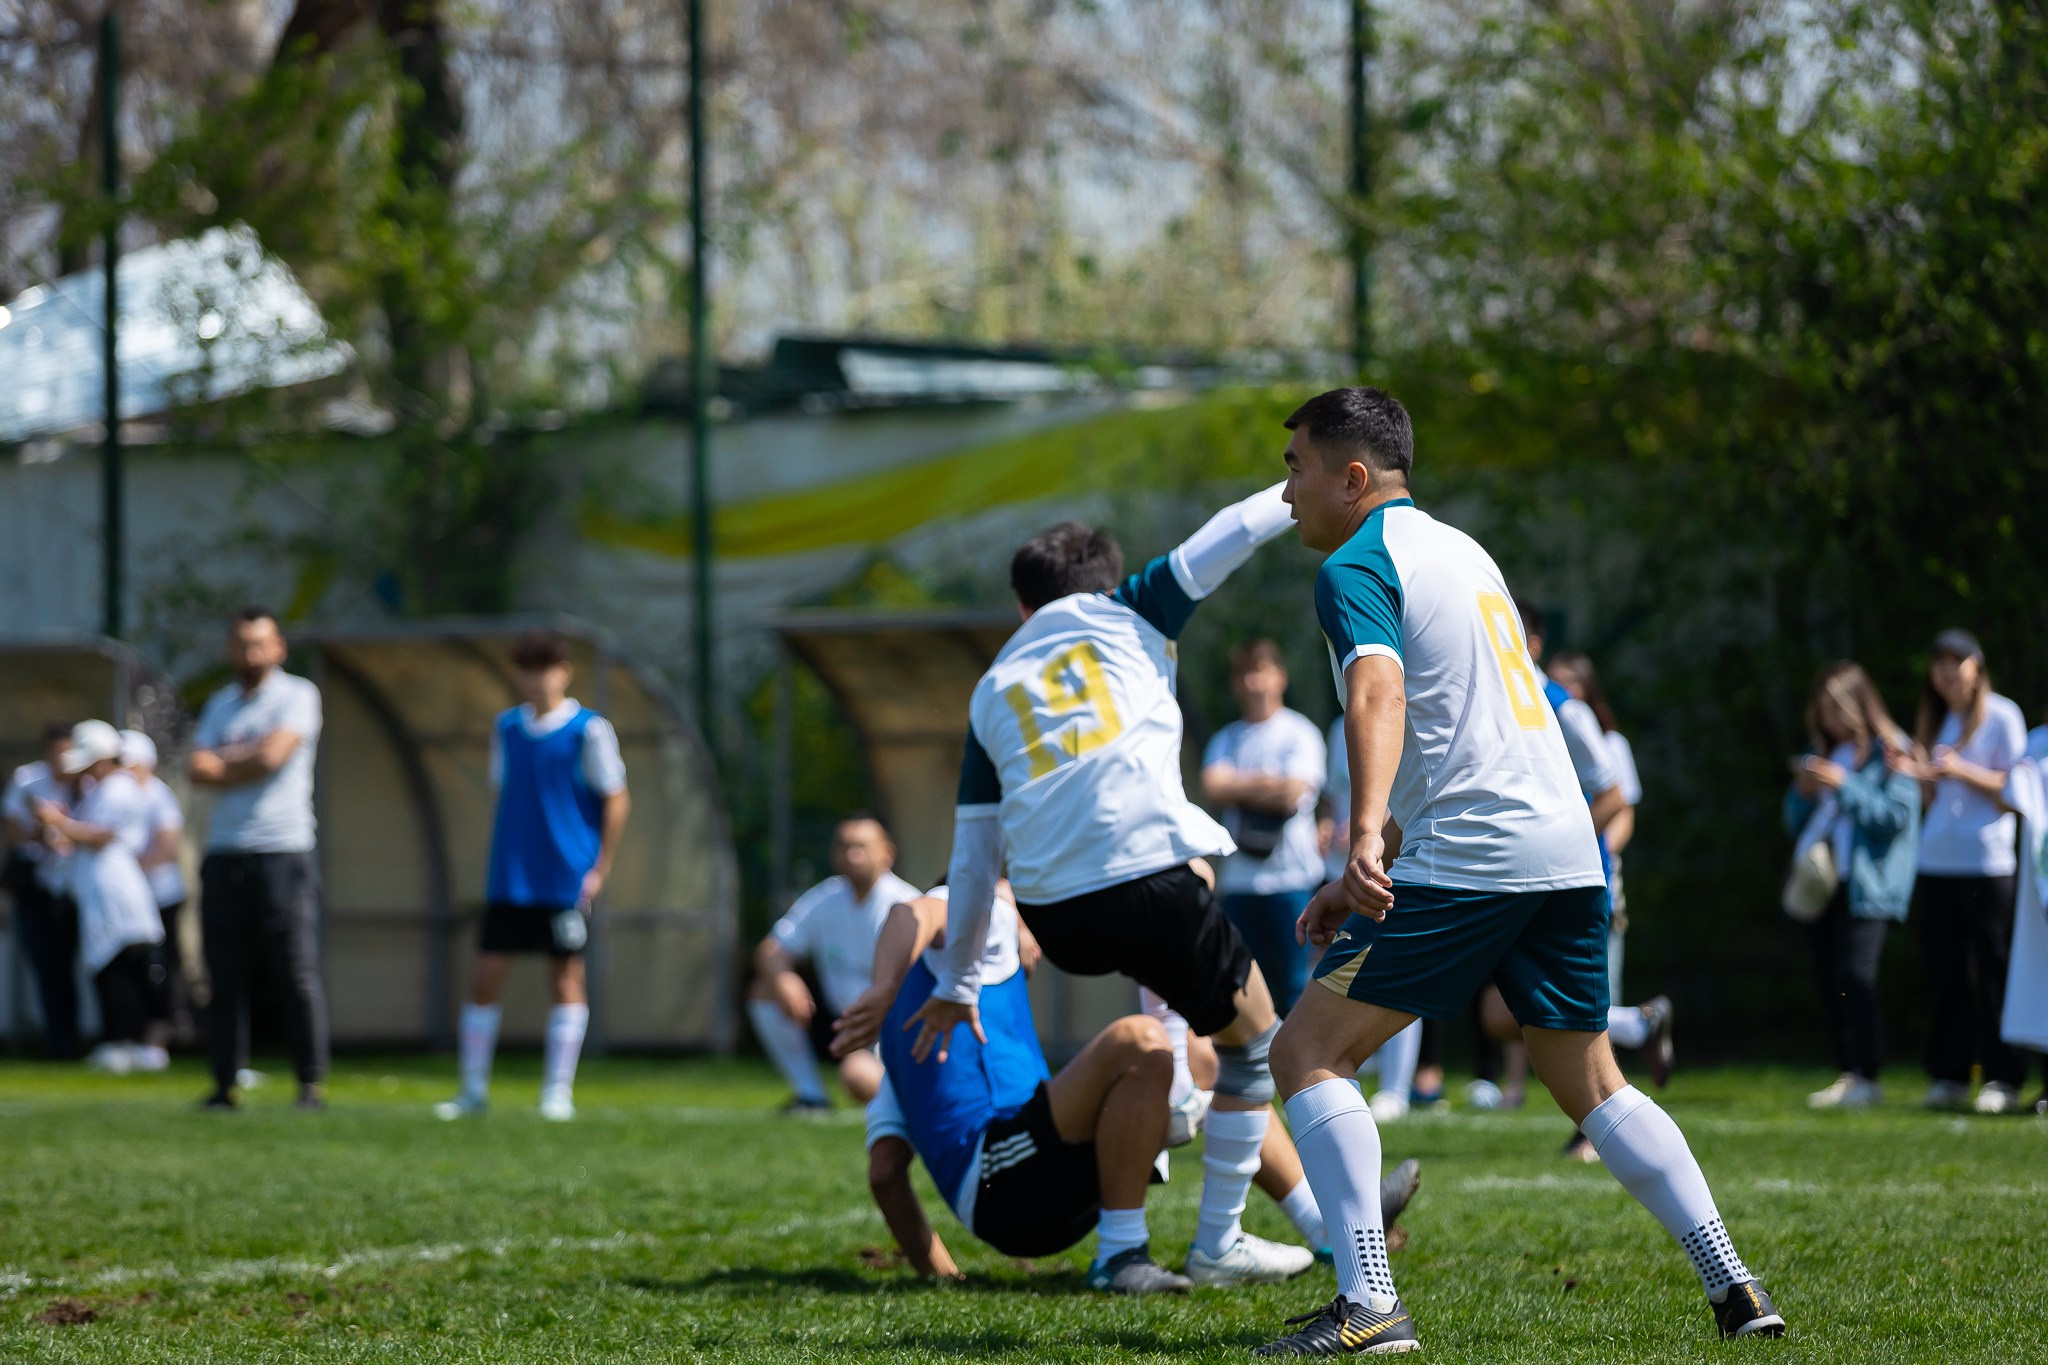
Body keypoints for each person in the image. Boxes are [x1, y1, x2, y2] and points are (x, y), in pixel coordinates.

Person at [1258, 386, 1782, 1355]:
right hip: (1561, 850)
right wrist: (1366, 861)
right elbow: (1469, 738)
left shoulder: (1353, 566)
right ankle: (1732, 1282)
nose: (1285, 492)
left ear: (1352, 477)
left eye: (1295, 469)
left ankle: (1367, 1303)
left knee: (1305, 1055)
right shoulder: (1464, 552)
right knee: (1586, 1076)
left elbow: (1377, 691)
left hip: (1474, 850)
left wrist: (1361, 835)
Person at [915, 485, 1319, 1286]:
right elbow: (1230, 530)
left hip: (1056, 917)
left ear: (1022, 606)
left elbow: (971, 859)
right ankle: (1219, 1240)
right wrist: (1299, 489)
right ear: (1104, 583)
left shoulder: (992, 687)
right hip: (1145, 884)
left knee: (1179, 923)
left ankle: (1137, 1227)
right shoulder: (1131, 609)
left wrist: (958, 983)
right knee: (1257, 1046)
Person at [834, 881, 1190, 1291]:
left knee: (1209, 1060)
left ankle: (1226, 1241)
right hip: (1003, 1174)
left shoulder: (902, 1044)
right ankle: (1126, 1252)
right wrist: (883, 988)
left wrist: (945, 1279)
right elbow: (909, 914)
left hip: (1011, 1206)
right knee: (1139, 1038)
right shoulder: (982, 918)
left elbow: (885, 1175)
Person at [437, 629, 631, 1123]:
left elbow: (616, 797)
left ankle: (556, 1093)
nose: (536, 679)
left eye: (546, 668)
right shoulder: (506, 728)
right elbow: (507, 794)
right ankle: (472, 1090)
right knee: (485, 977)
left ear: (565, 672)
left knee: (565, 977)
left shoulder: (588, 729)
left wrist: (598, 868)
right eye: (527, 669)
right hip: (510, 878)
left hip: (564, 878)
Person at [188, 607, 329, 1112]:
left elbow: (273, 758)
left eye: (259, 644)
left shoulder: (298, 695)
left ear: (278, 648)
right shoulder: (221, 704)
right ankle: (224, 1086)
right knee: (223, 976)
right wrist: (244, 760)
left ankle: (310, 1085)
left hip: (282, 850)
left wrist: (226, 762)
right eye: (241, 644)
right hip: (224, 852)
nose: (250, 653)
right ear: (230, 649)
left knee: (294, 972)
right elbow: (196, 769)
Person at [1896, 628, 2029, 1113]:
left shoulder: (2002, 714)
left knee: (1992, 971)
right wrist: (1918, 774)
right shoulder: (1937, 719)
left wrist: (1959, 770)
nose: (1947, 673)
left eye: (1957, 661)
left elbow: (2017, 789)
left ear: (1977, 666)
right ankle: (1950, 1075)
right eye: (1939, 664)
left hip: (1988, 863)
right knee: (1945, 973)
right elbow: (1935, 798)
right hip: (1936, 861)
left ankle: (2004, 1077)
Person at [1785, 662, 1920, 1110]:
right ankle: (1848, 1073)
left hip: (1869, 883)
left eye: (1837, 709)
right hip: (1822, 884)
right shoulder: (1821, 749)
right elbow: (1790, 820)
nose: (1830, 720)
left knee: (1857, 976)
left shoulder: (1893, 750)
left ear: (1861, 706)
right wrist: (1802, 793)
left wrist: (1844, 785)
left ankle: (1867, 1073)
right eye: (1822, 710)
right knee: (1829, 979)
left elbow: (1895, 817)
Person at [746, 815, 918, 1113]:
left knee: (858, 1077)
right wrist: (784, 980)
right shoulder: (827, 897)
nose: (852, 855)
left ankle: (906, 1092)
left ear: (887, 853)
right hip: (838, 1020)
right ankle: (811, 1096)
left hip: (892, 1027)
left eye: (862, 847)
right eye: (844, 846)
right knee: (766, 989)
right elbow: (769, 950)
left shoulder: (905, 903)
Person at [34, 721, 169, 1074]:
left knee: (119, 964)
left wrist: (58, 823)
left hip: (115, 887)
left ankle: (123, 1043)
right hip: (99, 888)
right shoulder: (100, 788)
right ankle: (119, 1041)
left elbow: (101, 836)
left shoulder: (118, 787)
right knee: (110, 965)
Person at [1201, 639, 1327, 1016]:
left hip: (1292, 879)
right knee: (1239, 986)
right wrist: (1270, 783)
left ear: (1280, 677)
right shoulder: (1227, 737)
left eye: (1261, 671)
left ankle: (1300, 1070)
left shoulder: (1299, 732)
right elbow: (1212, 786)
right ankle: (1252, 1072)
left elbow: (1293, 792)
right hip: (1238, 883)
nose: (1254, 682)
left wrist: (1239, 785)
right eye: (1245, 674)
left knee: (1295, 986)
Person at [1319, 722, 1426, 1121]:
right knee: (1343, 971)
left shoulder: (1403, 713)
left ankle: (1396, 1089)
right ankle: (1357, 1071)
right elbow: (1335, 793)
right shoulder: (1339, 725)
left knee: (1397, 971)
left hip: (1393, 862)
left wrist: (1372, 837)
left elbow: (1407, 793)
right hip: (1345, 866)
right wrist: (1328, 825)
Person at [2, 722, 82, 1058]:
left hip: (74, 883)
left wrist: (61, 828)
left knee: (72, 962)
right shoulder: (28, 780)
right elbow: (14, 829)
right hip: (35, 883)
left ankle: (79, 1037)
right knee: (44, 963)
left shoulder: (87, 783)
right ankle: (56, 1039)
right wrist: (44, 833)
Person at [123, 729, 193, 1048]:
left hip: (160, 896)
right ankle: (135, 1036)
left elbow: (167, 844)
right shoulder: (117, 795)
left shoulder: (157, 795)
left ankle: (160, 1038)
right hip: (131, 899)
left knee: (162, 967)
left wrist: (126, 871)